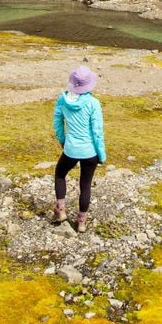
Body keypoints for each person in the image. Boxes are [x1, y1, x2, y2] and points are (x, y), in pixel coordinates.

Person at [52, 65, 106, 233]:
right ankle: (81, 222)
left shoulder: (62, 100)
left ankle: (60, 211)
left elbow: (57, 122)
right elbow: (97, 132)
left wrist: (62, 140)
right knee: (85, 185)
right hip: (90, 152)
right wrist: (101, 155)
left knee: (60, 174)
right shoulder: (93, 103)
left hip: (70, 149)